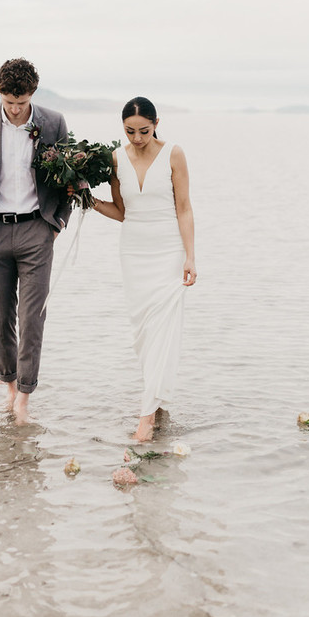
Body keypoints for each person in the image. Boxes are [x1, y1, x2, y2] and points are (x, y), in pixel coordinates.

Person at [0, 58, 71, 424]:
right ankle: (8, 386)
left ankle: (24, 395)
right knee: (1, 317)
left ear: (32, 93)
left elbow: (70, 175)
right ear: (0, 93)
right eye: (9, 102)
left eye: (21, 102)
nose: (16, 109)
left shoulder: (53, 123)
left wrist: (58, 222)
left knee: (32, 317)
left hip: (37, 230)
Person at [92, 97, 197, 442]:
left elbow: (183, 208)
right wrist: (86, 199)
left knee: (163, 328)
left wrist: (190, 256)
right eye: (130, 131)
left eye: (144, 131)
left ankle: (147, 417)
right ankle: (158, 399)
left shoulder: (174, 154)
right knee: (144, 335)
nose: (137, 138)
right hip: (133, 252)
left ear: (156, 124)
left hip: (168, 250)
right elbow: (122, 211)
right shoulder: (116, 158)